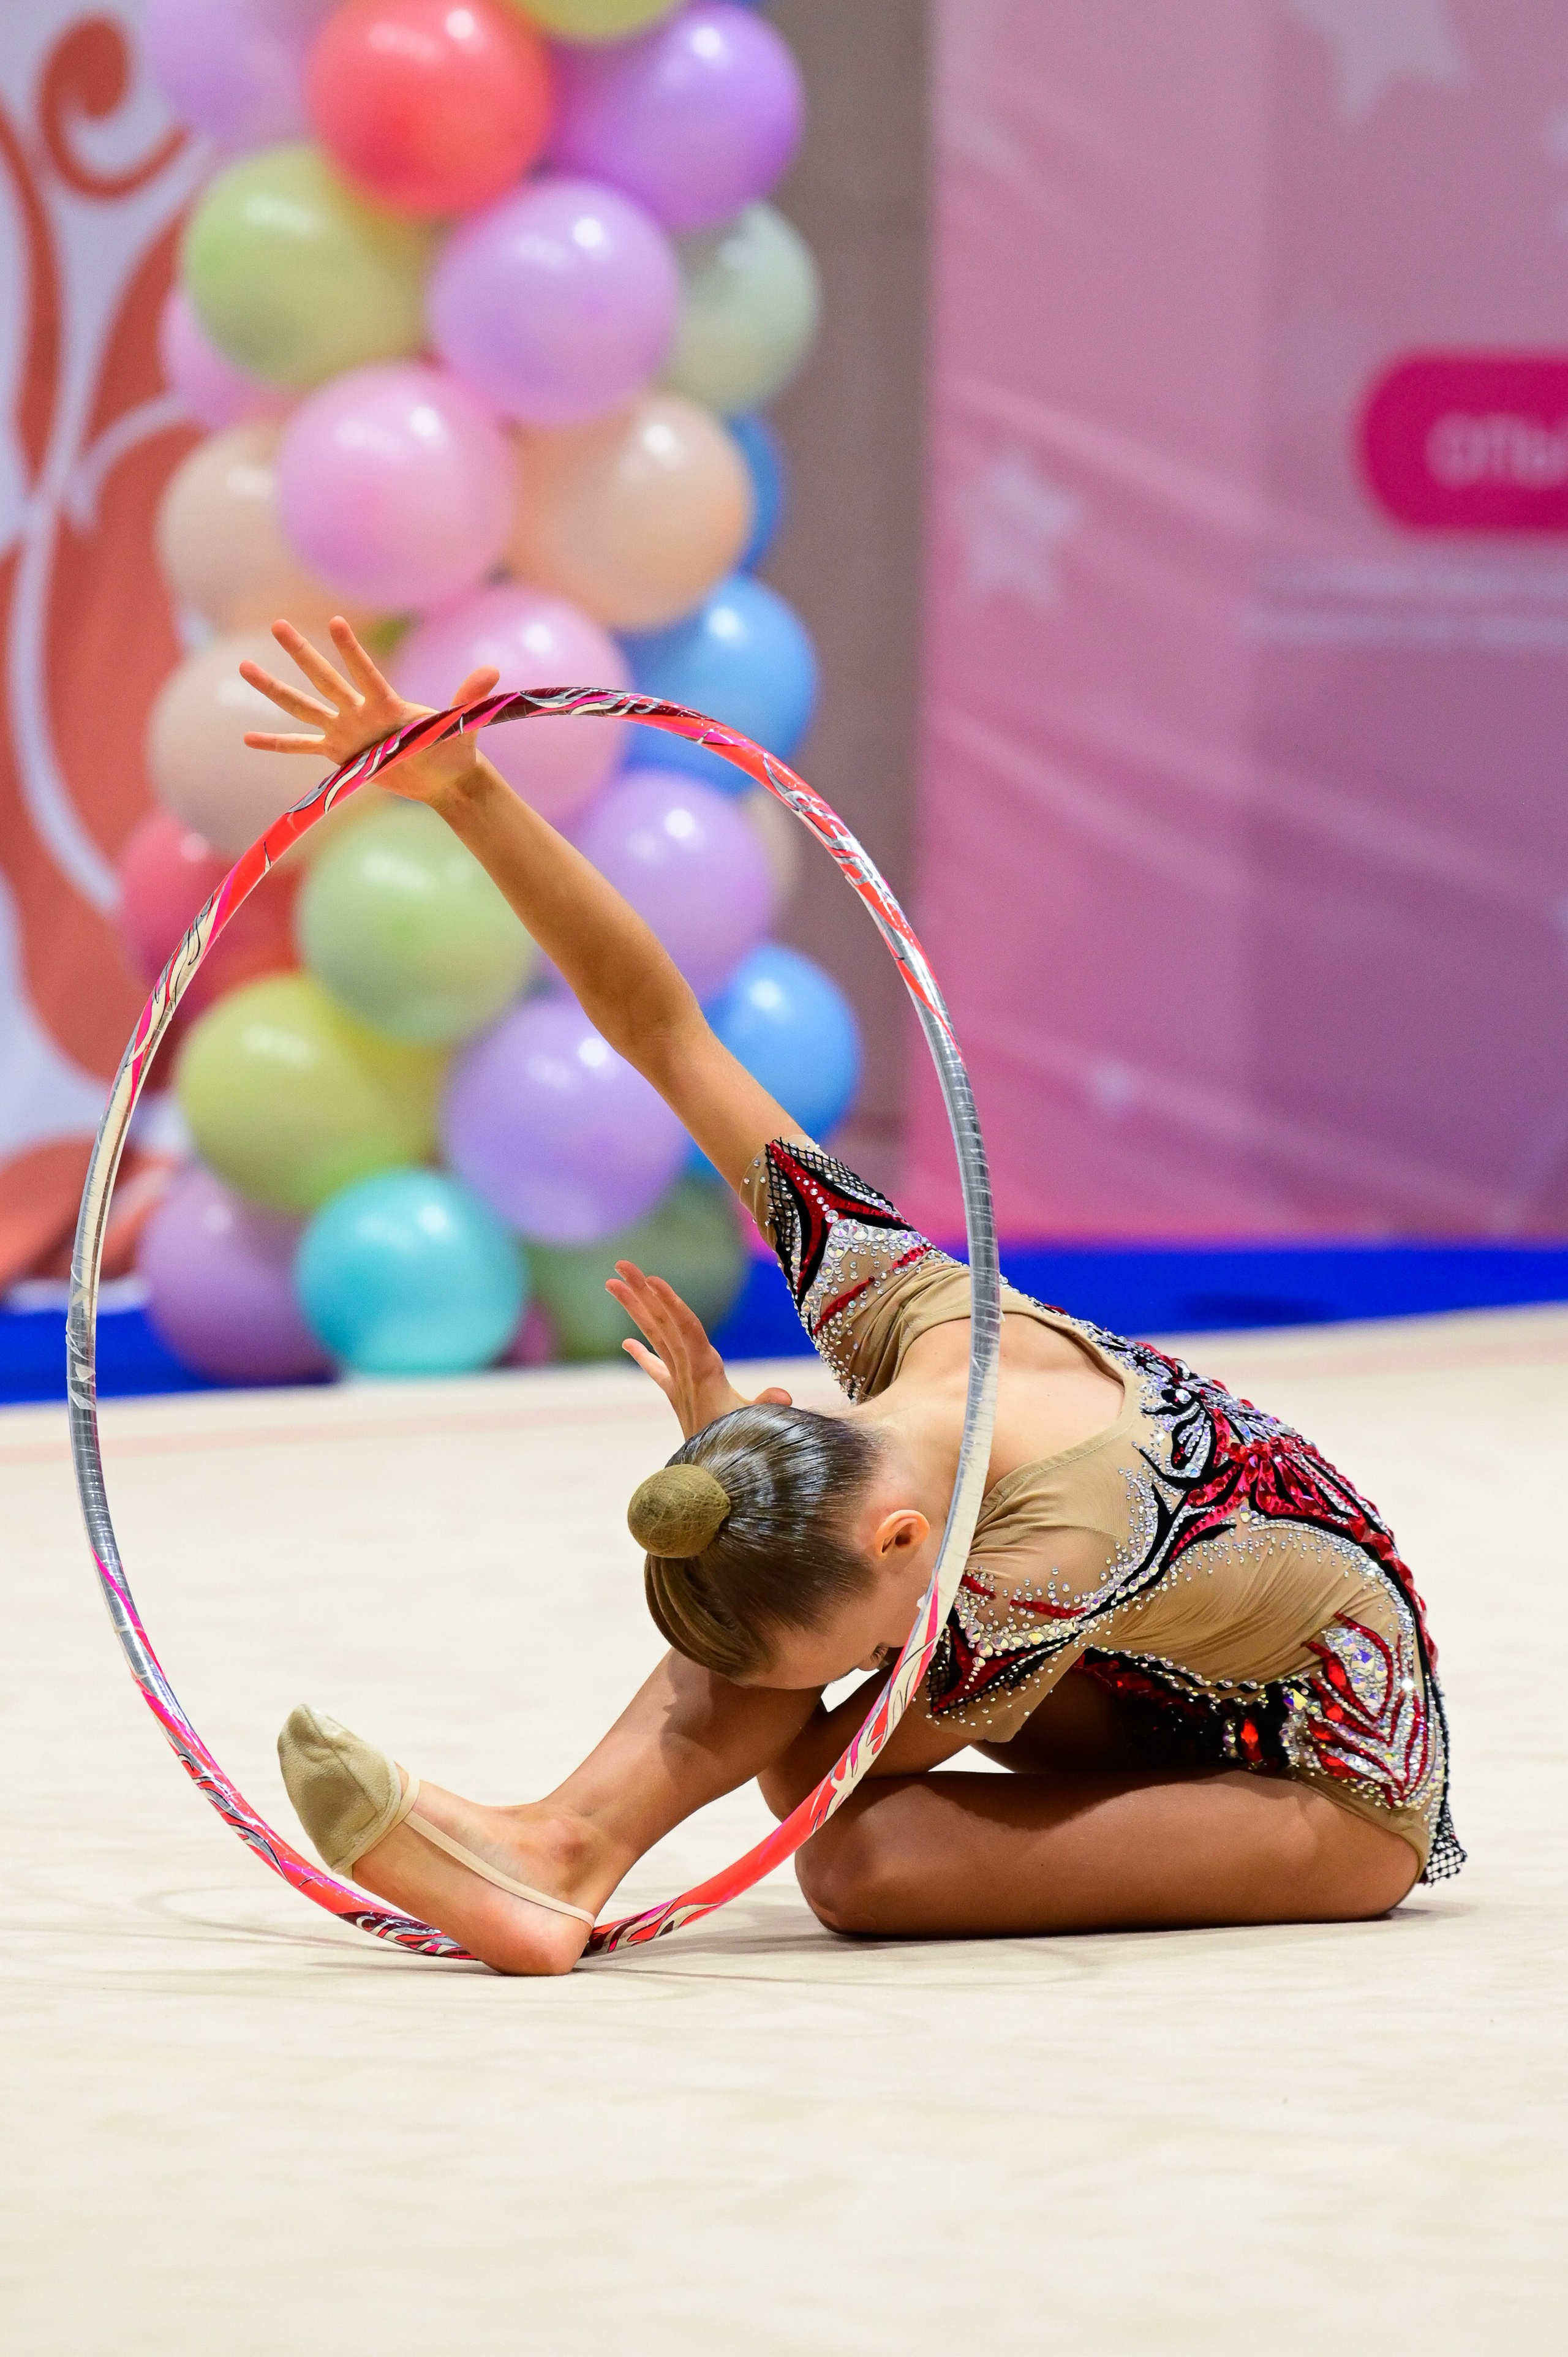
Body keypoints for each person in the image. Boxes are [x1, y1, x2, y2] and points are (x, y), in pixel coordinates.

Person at [243, 617, 1461, 1978]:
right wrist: (469, 792)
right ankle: (555, 1850)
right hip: (1126, 1676)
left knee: (860, 1858)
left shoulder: (1060, 1541)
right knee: (752, 1563)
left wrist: (755, 1544)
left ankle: (570, 1844)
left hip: (1317, 1777)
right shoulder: (888, 1301)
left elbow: (808, 1776)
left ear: (900, 1537)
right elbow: (660, 1028)